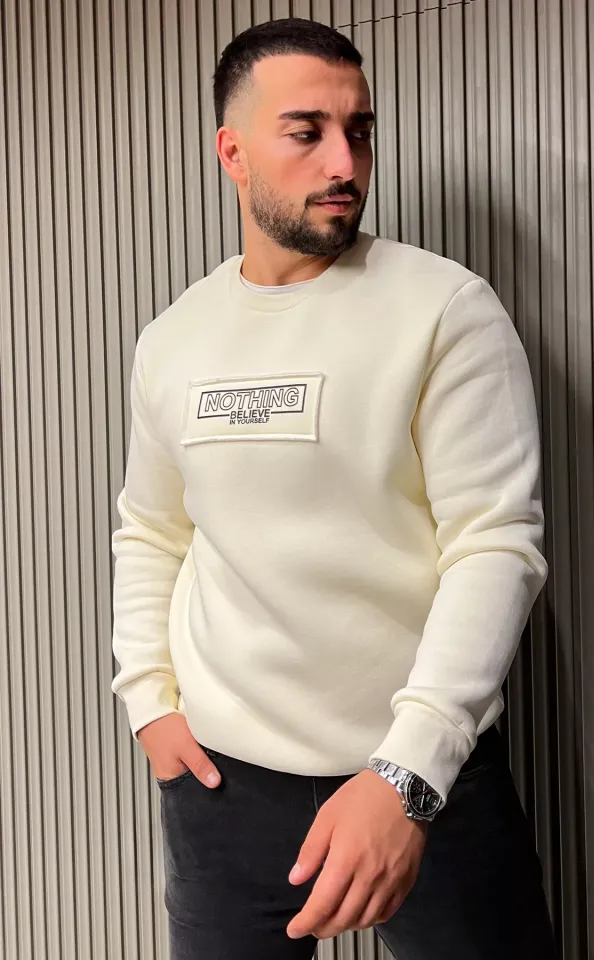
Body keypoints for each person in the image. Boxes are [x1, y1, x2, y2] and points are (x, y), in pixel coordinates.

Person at [111, 17, 558, 960]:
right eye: (306, 132)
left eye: (360, 130)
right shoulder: (174, 337)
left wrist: (408, 775)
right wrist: (149, 700)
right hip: (223, 788)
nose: (344, 162)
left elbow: (495, 545)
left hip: (425, 778)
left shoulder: (444, 310)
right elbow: (152, 530)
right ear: (233, 152)